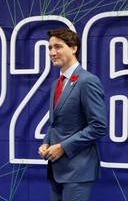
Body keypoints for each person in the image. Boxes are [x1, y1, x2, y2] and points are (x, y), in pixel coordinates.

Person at [38, 28, 107, 201]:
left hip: (78, 170)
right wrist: (46, 143)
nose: (52, 52)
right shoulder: (56, 84)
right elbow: (54, 123)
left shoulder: (88, 81)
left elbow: (98, 127)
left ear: (74, 48)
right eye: (50, 48)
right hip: (55, 169)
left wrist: (63, 147)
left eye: (58, 47)